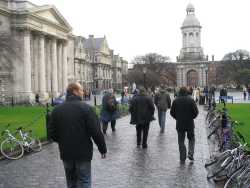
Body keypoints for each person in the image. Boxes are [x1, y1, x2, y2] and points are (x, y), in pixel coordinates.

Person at [48, 82, 107, 188]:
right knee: (84, 180)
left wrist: (63, 140)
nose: (83, 92)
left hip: (66, 152)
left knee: (71, 182)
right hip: (83, 153)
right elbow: (96, 132)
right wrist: (102, 149)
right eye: (81, 90)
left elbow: (52, 133)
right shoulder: (86, 108)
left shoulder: (57, 110)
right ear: (75, 91)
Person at [170, 87, 199, 164]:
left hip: (180, 123)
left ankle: (182, 157)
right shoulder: (191, 100)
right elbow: (196, 112)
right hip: (189, 123)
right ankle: (190, 153)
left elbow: (172, 112)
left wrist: (177, 118)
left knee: (181, 141)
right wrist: (191, 117)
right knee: (191, 139)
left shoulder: (176, 101)